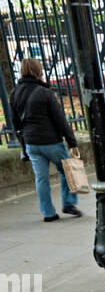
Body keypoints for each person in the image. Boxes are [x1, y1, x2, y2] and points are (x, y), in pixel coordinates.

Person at [10, 57, 82, 222]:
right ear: (38, 71)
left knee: (41, 178)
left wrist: (24, 145)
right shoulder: (45, 93)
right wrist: (72, 142)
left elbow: (15, 123)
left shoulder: (14, 93)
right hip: (52, 142)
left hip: (31, 143)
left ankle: (48, 213)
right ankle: (69, 204)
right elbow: (60, 120)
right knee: (67, 171)